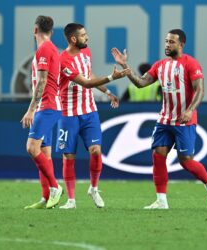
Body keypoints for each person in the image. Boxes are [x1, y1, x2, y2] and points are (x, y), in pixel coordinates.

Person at [112, 29, 207, 209]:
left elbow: (200, 90)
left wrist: (190, 110)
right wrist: (125, 67)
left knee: (186, 161)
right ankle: (161, 200)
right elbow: (141, 83)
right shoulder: (160, 65)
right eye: (166, 41)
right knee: (158, 155)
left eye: (171, 42)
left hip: (185, 121)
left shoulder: (191, 64)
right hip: (164, 120)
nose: (167, 45)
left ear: (181, 45)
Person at [56, 23, 129, 209]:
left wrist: (107, 91)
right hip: (68, 114)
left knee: (96, 151)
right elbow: (86, 83)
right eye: (83, 35)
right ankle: (71, 200)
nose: (87, 38)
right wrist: (112, 77)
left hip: (89, 111)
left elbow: (90, 75)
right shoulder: (63, 60)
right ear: (73, 39)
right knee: (68, 156)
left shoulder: (86, 53)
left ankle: (93, 189)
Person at [21, 15, 63, 209]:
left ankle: (55, 188)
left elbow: (43, 81)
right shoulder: (51, 48)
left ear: (35, 30)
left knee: (31, 148)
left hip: (46, 106)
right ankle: (46, 198)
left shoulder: (44, 49)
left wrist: (31, 110)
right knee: (44, 153)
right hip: (49, 105)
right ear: (51, 31)